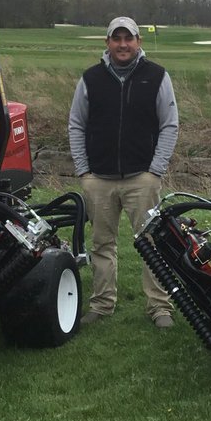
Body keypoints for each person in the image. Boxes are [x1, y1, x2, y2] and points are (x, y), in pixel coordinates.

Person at [69, 16, 179, 329]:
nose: (122, 44)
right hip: (99, 178)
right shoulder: (91, 78)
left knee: (151, 244)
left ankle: (159, 307)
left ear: (138, 42)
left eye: (128, 38)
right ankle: (102, 304)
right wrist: (83, 170)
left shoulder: (156, 76)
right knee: (102, 245)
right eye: (116, 39)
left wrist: (156, 169)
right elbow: (76, 124)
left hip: (142, 177)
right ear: (108, 43)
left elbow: (169, 124)